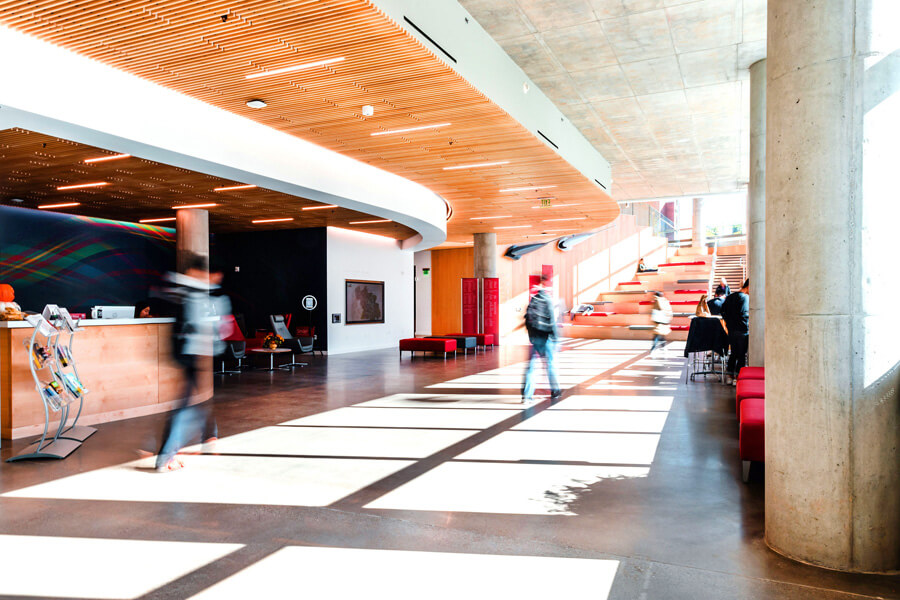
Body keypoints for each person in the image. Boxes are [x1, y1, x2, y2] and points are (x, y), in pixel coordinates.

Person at [153, 254, 219, 472]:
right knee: (184, 408)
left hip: (189, 355)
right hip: (186, 354)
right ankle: (166, 456)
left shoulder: (185, 289)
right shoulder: (187, 290)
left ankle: (204, 438)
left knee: (191, 405)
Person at [522, 273, 561, 403]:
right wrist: (556, 339)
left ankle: (526, 395)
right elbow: (551, 320)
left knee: (532, 366)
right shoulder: (548, 299)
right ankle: (555, 390)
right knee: (550, 364)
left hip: (535, 338)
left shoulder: (534, 299)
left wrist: (531, 336)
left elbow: (527, 319)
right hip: (546, 338)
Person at [721, 279, 750, 385]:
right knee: (741, 355)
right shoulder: (746, 298)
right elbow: (744, 314)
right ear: (749, 286)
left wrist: (728, 323)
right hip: (742, 330)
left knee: (733, 353)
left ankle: (730, 375)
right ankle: (738, 377)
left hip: (732, 330)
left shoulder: (730, 297)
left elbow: (722, 311)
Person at [650, 291, 673, 356]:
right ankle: (663, 348)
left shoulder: (658, 301)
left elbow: (657, 309)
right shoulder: (665, 301)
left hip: (659, 321)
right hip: (665, 321)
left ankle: (653, 349)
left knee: (657, 336)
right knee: (661, 336)